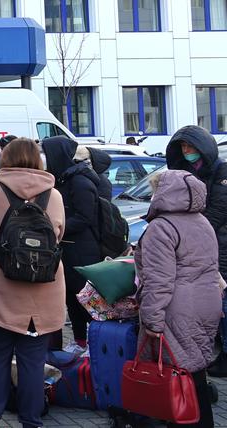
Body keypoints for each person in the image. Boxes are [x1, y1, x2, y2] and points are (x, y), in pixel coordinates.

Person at [0, 138, 66, 428]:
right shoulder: (54, 196)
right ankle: (31, 422)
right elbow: (58, 235)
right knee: (32, 363)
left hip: (1, 290)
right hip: (44, 291)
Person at [135, 169, 221, 428]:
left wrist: (152, 321)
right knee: (195, 371)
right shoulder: (202, 222)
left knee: (175, 375)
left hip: (176, 309)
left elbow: (158, 282)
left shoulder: (161, 228)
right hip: (207, 304)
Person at [164, 125, 227, 377]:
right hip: (200, 248)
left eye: (190, 146)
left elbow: (218, 211)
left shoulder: (221, 172)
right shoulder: (188, 171)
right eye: (182, 147)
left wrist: (190, 233)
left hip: (219, 246)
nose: (187, 151)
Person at [42, 136, 101, 354]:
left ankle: (92, 342)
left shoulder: (80, 182)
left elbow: (85, 217)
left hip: (82, 250)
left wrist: (55, 226)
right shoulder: (62, 179)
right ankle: (79, 341)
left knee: (84, 298)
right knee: (70, 298)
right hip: (67, 249)